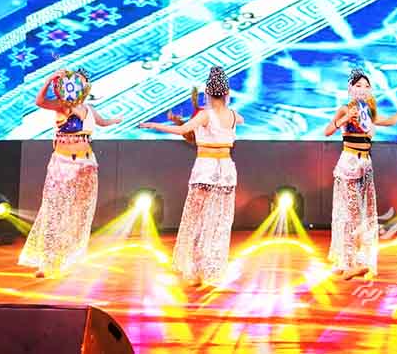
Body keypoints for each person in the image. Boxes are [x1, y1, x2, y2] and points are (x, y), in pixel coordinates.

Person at [141, 66, 242, 288]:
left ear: (208, 93)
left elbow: (182, 130)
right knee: (218, 221)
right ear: (226, 94)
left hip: (207, 169)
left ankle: (196, 268)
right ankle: (208, 268)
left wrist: (154, 125)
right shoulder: (233, 115)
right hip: (225, 171)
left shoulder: (206, 114)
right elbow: (239, 121)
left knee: (197, 219)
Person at [20, 68, 121, 278]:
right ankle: (47, 262)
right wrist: (49, 80)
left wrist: (116, 120)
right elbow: (39, 102)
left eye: (81, 83)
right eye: (74, 81)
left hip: (86, 165)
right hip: (62, 165)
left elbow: (103, 122)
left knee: (78, 214)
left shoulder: (89, 110)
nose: (76, 86)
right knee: (54, 211)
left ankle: (70, 259)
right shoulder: (62, 107)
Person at [324, 68, 397, 280]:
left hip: (365, 165)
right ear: (351, 88)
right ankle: (350, 261)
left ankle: (357, 260)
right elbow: (328, 131)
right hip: (349, 164)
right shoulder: (345, 109)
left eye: (366, 86)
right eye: (359, 85)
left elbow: (391, 121)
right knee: (352, 215)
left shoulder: (369, 111)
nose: (363, 89)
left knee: (364, 214)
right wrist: (344, 119)